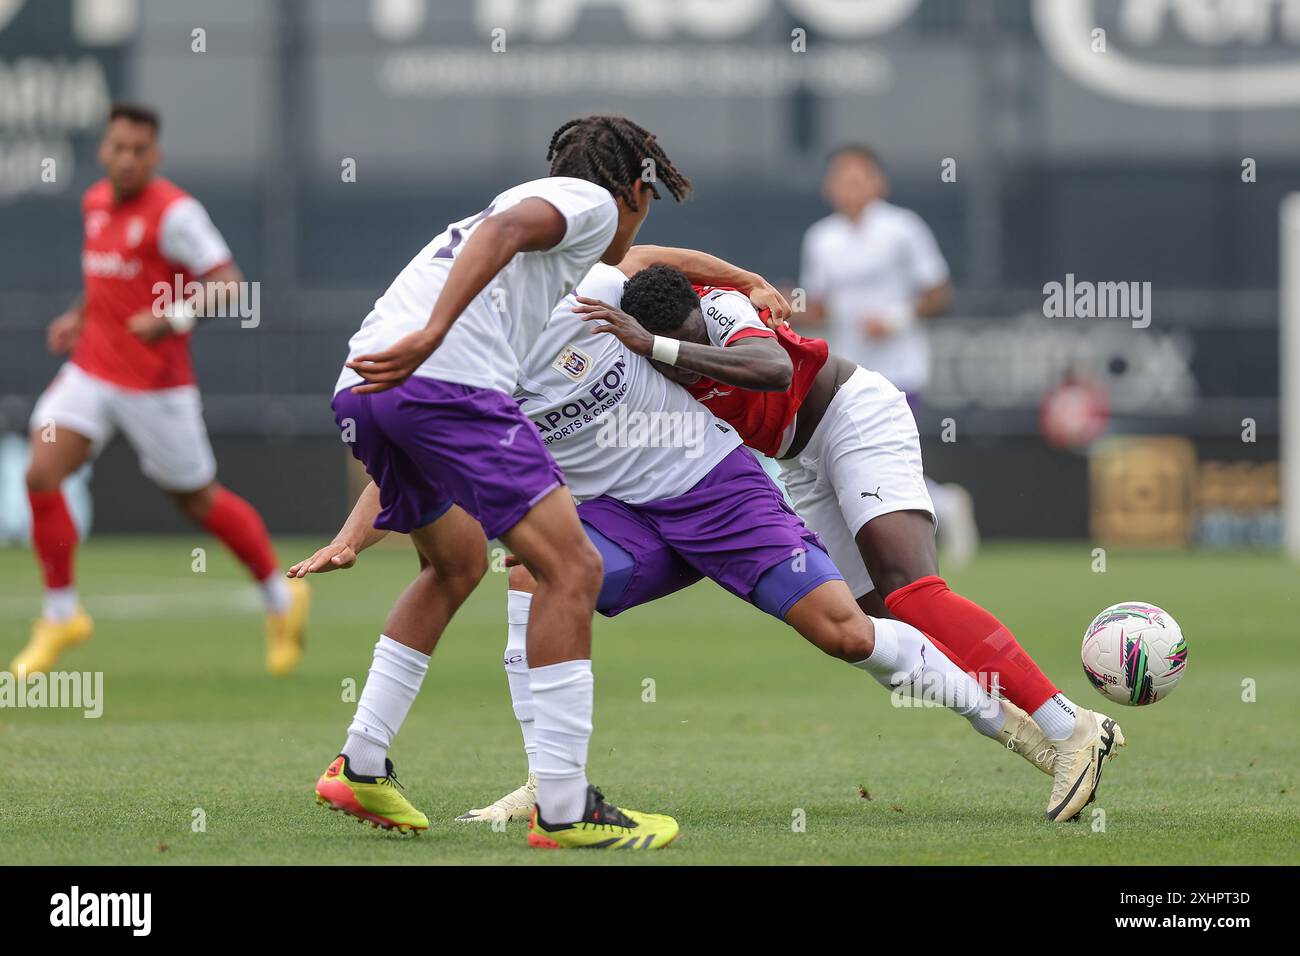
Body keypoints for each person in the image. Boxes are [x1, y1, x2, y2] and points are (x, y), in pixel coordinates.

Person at [294, 256, 1071, 831]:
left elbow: (656, 264)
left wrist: (748, 281)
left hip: (721, 493)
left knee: (848, 633)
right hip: (625, 519)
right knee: (532, 570)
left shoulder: (582, 291)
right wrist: (355, 536)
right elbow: (419, 455)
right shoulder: (478, 376)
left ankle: (1011, 726)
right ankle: (550, 784)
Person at [582, 263, 1127, 823]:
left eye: (696, 333)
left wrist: (664, 346)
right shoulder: (632, 352)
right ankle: (1023, 730)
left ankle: (1070, 725)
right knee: (874, 631)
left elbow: (770, 369)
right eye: (679, 342)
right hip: (797, 463)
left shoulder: (718, 307)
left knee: (912, 592)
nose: (698, 344)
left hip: (851, 416)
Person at [310, 116, 693, 850]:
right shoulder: (588, 203)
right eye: (647, 201)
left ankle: (359, 762)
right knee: (572, 567)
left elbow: (532, 244)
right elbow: (509, 231)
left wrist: (361, 526)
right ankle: (564, 807)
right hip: (439, 382)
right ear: (636, 189)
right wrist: (433, 337)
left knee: (453, 565)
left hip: (365, 388)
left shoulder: (549, 264)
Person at [11, 103, 309, 680]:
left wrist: (171, 317)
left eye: (138, 150)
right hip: (91, 371)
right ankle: (61, 615)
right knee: (40, 473)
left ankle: (280, 596)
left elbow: (229, 286)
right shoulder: (94, 202)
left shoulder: (176, 213)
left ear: (155, 155)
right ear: (103, 149)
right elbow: (106, 275)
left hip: (156, 386)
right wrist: (78, 316)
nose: (125, 159)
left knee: (198, 500)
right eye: (117, 147)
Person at [799, 144, 978, 566]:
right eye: (841, 179)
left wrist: (895, 319)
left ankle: (924, 526)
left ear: (878, 183)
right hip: (845, 371)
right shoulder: (821, 238)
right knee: (846, 461)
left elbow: (938, 293)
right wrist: (784, 306)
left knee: (889, 459)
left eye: (858, 178)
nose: (849, 187)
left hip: (899, 367)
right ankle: (942, 504)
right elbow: (820, 307)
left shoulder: (903, 229)